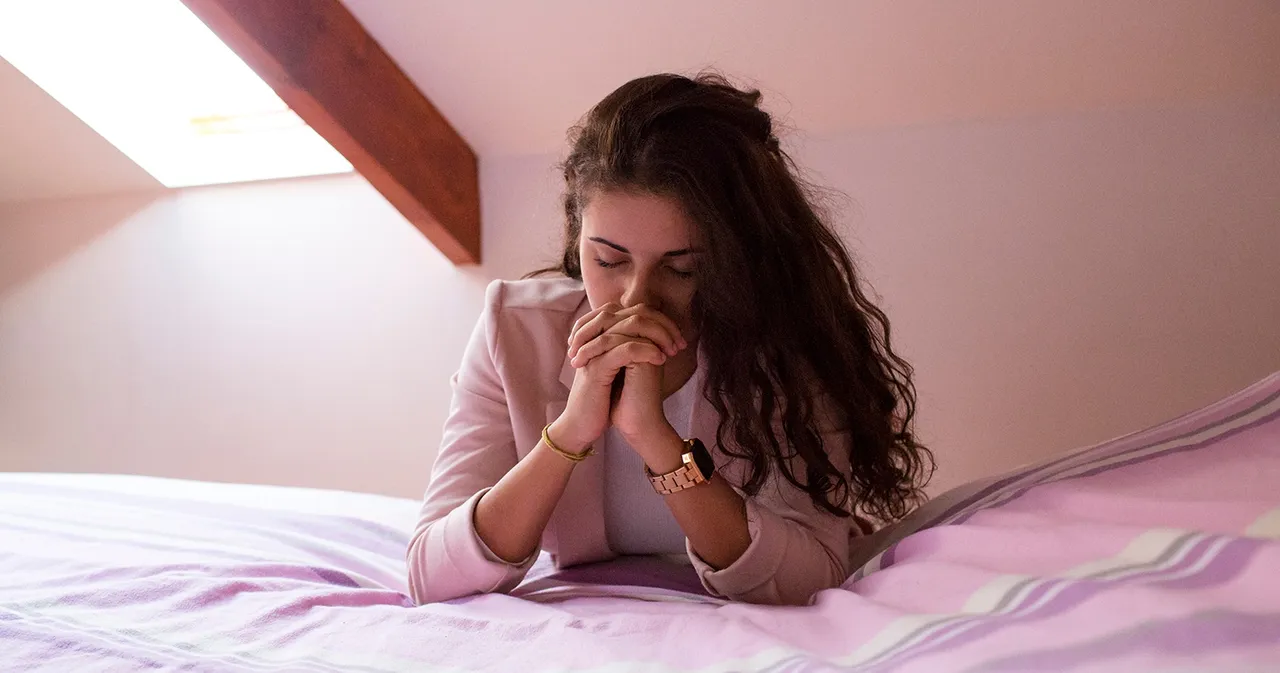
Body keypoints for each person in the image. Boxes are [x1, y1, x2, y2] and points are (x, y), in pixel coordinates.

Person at [406, 72, 933, 606]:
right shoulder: (513, 330)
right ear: (576, 238)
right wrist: (570, 432)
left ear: (736, 259)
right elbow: (430, 576)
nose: (637, 299)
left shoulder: (787, 343)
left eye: (682, 269)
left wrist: (657, 442)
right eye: (608, 260)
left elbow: (809, 578)